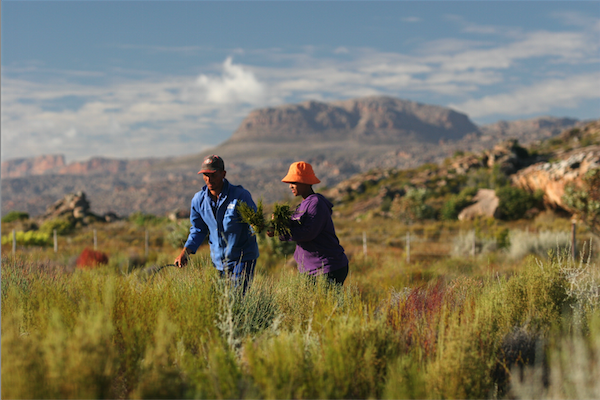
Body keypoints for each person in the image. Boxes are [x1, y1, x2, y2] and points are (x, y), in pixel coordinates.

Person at [174, 155, 259, 293]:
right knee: (222, 302)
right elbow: (198, 229)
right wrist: (186, 252)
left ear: (223, 174)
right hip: (219, 262)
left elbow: (254, 222)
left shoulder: (240, 196)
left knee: (236, 299)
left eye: (213, 175)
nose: (209, 179)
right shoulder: (198, 200)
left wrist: (257, 227)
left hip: (243, 259)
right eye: (205, 175)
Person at [267, 161, 349, 285]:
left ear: (304, 182)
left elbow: (308, 233)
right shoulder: (304, 204)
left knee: (324, 304)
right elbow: (294, 226)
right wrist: (274, 226)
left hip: (327, 268)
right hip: (312, 269)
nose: (290, 186)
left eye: (294, 182)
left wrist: (281, 231)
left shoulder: (316, 203)